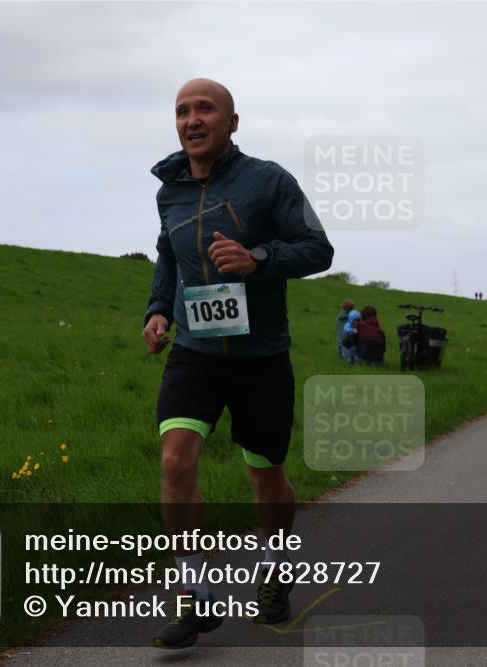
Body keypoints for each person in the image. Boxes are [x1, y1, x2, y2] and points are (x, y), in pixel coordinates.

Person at [141, 78, 334, 649]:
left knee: (265, 474)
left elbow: (318, 249)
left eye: (206, 109)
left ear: (232, 121)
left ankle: (274, 574)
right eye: (182, 111)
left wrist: (259, 258)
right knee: (175, 459)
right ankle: (194, 595)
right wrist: (157, 311)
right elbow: (167, 258)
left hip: (259, 357)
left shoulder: (269, 180)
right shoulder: (168, 191)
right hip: (194, 352)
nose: (192, 119)